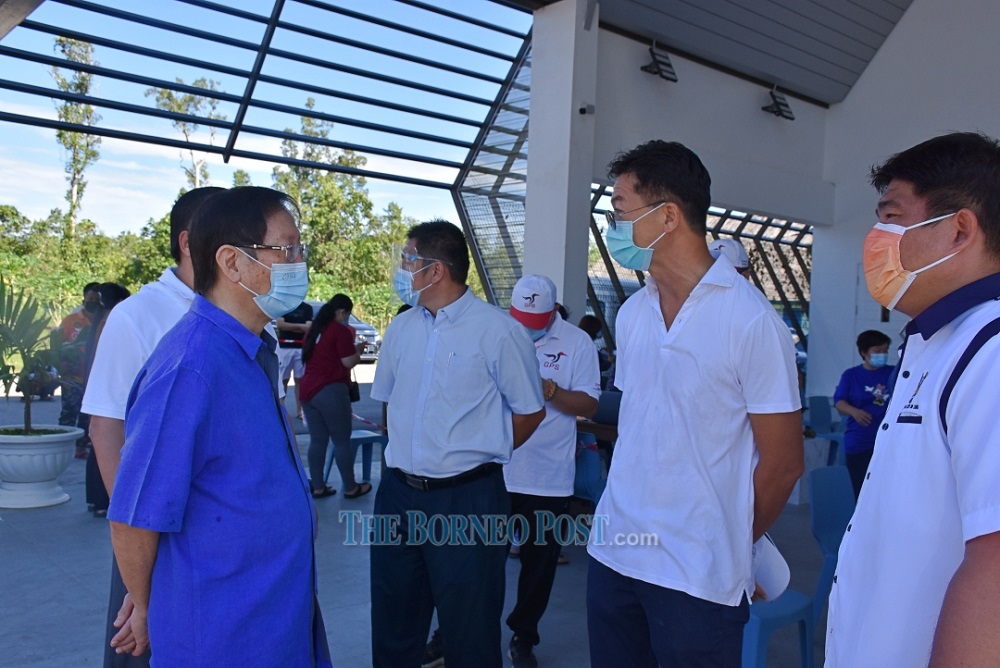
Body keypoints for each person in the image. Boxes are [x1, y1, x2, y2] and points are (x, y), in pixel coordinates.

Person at [586, 140, 803, 666]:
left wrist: (728, 542)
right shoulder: (634, 313)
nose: (614, 228)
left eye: (620, 211)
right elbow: (646, 426)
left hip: (695, 576)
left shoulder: (750, 322)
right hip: (615, 554)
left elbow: (783, 464)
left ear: (667, 217)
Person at [107, 186, 330, 667]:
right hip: (222, 634)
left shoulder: (250, 351)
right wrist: (147, 607)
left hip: (274, 616)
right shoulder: (191, 368)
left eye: (300, 250)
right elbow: (132, 517)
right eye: (286, 249)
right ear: (232, 262)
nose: (298, 263)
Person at [827, 132, 1000, 666]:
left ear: (958, 230)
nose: (876, 239)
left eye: (892, 217)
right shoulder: (934, 341)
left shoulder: (990, 350)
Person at [370, 220, 545, 668]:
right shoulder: (402, 328)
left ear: (435, 271)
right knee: (394, 621)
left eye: (408, 261)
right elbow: (389, 405)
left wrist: (476, 459)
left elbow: (530, 411)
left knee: (469, 627)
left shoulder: (499, 331)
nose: (401, 270)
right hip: (398, 495)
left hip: (469, 501)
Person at [82, 186, 222, 668]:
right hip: (153, 535)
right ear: (189, 242)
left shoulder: (242, 315)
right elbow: (107, 428)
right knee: (143, 646)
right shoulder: (138, 316)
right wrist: (137, 549)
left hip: (218, 537)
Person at [504, 273, 601, 667]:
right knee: (476, 560)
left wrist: (550, 390)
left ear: (553, 312)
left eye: (533, 323)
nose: (524, 330)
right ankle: (454, 633)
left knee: (538, 567)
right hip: (495, 467)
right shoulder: (500, 331)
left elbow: (590, 406)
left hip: (547, 477)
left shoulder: (577, 344)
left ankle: (523, 637)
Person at [298, 293, 369, 499]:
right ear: (341, 311)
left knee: (317, 440)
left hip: (308, 391)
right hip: (331, 390)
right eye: (347, 313)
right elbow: (347, 362)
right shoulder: (340, 331)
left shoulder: (314, 330)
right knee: (341, 440)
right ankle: (350, 486)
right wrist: (358, 353)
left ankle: (318, 486)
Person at [81, 282, 131, 518]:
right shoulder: (114, 321)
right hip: (107, 393)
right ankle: (105, 501)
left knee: (98, 447)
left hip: (97, 389)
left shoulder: (103, 320)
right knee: (107, 443)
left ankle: (96, 500)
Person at [833, 329, 893, 499]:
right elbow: (839, 401)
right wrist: (854, 412)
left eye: (885, 350)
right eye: (877, 351)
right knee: (860, 492)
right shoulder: (851, 375)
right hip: (860, 441)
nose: (883, 354)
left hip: (887, 443)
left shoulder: (894, 373)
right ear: (863, 352)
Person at [56, 282, 100, 456]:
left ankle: (81, 447)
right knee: (68, 413)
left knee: (86, 415)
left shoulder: (103, 321)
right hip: (71, 377)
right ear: (83, 299)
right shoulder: (71, 320)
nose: (94, 302)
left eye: (97, 299)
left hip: (93, 377)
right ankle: (62, 448)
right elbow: (57, 345)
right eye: (91, 298)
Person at [276, 300, 313, 420]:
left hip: (301, 348)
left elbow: (308, 327)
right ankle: (281, 410)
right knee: (283, 380)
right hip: (284, 347)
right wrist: (300, 326)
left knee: (300, 380)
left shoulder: (307, 308)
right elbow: (280, 325)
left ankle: (300, 411)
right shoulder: (283, 305)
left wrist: (290, 326)